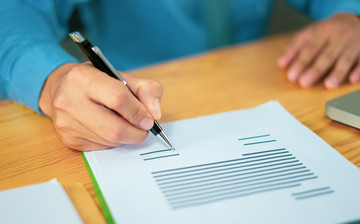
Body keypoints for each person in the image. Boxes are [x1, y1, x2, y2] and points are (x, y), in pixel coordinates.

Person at [0, 0, 359, 151]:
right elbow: (14, 13)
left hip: (267, 78)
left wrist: (351, 15)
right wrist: (51, 80)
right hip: (120, 94)